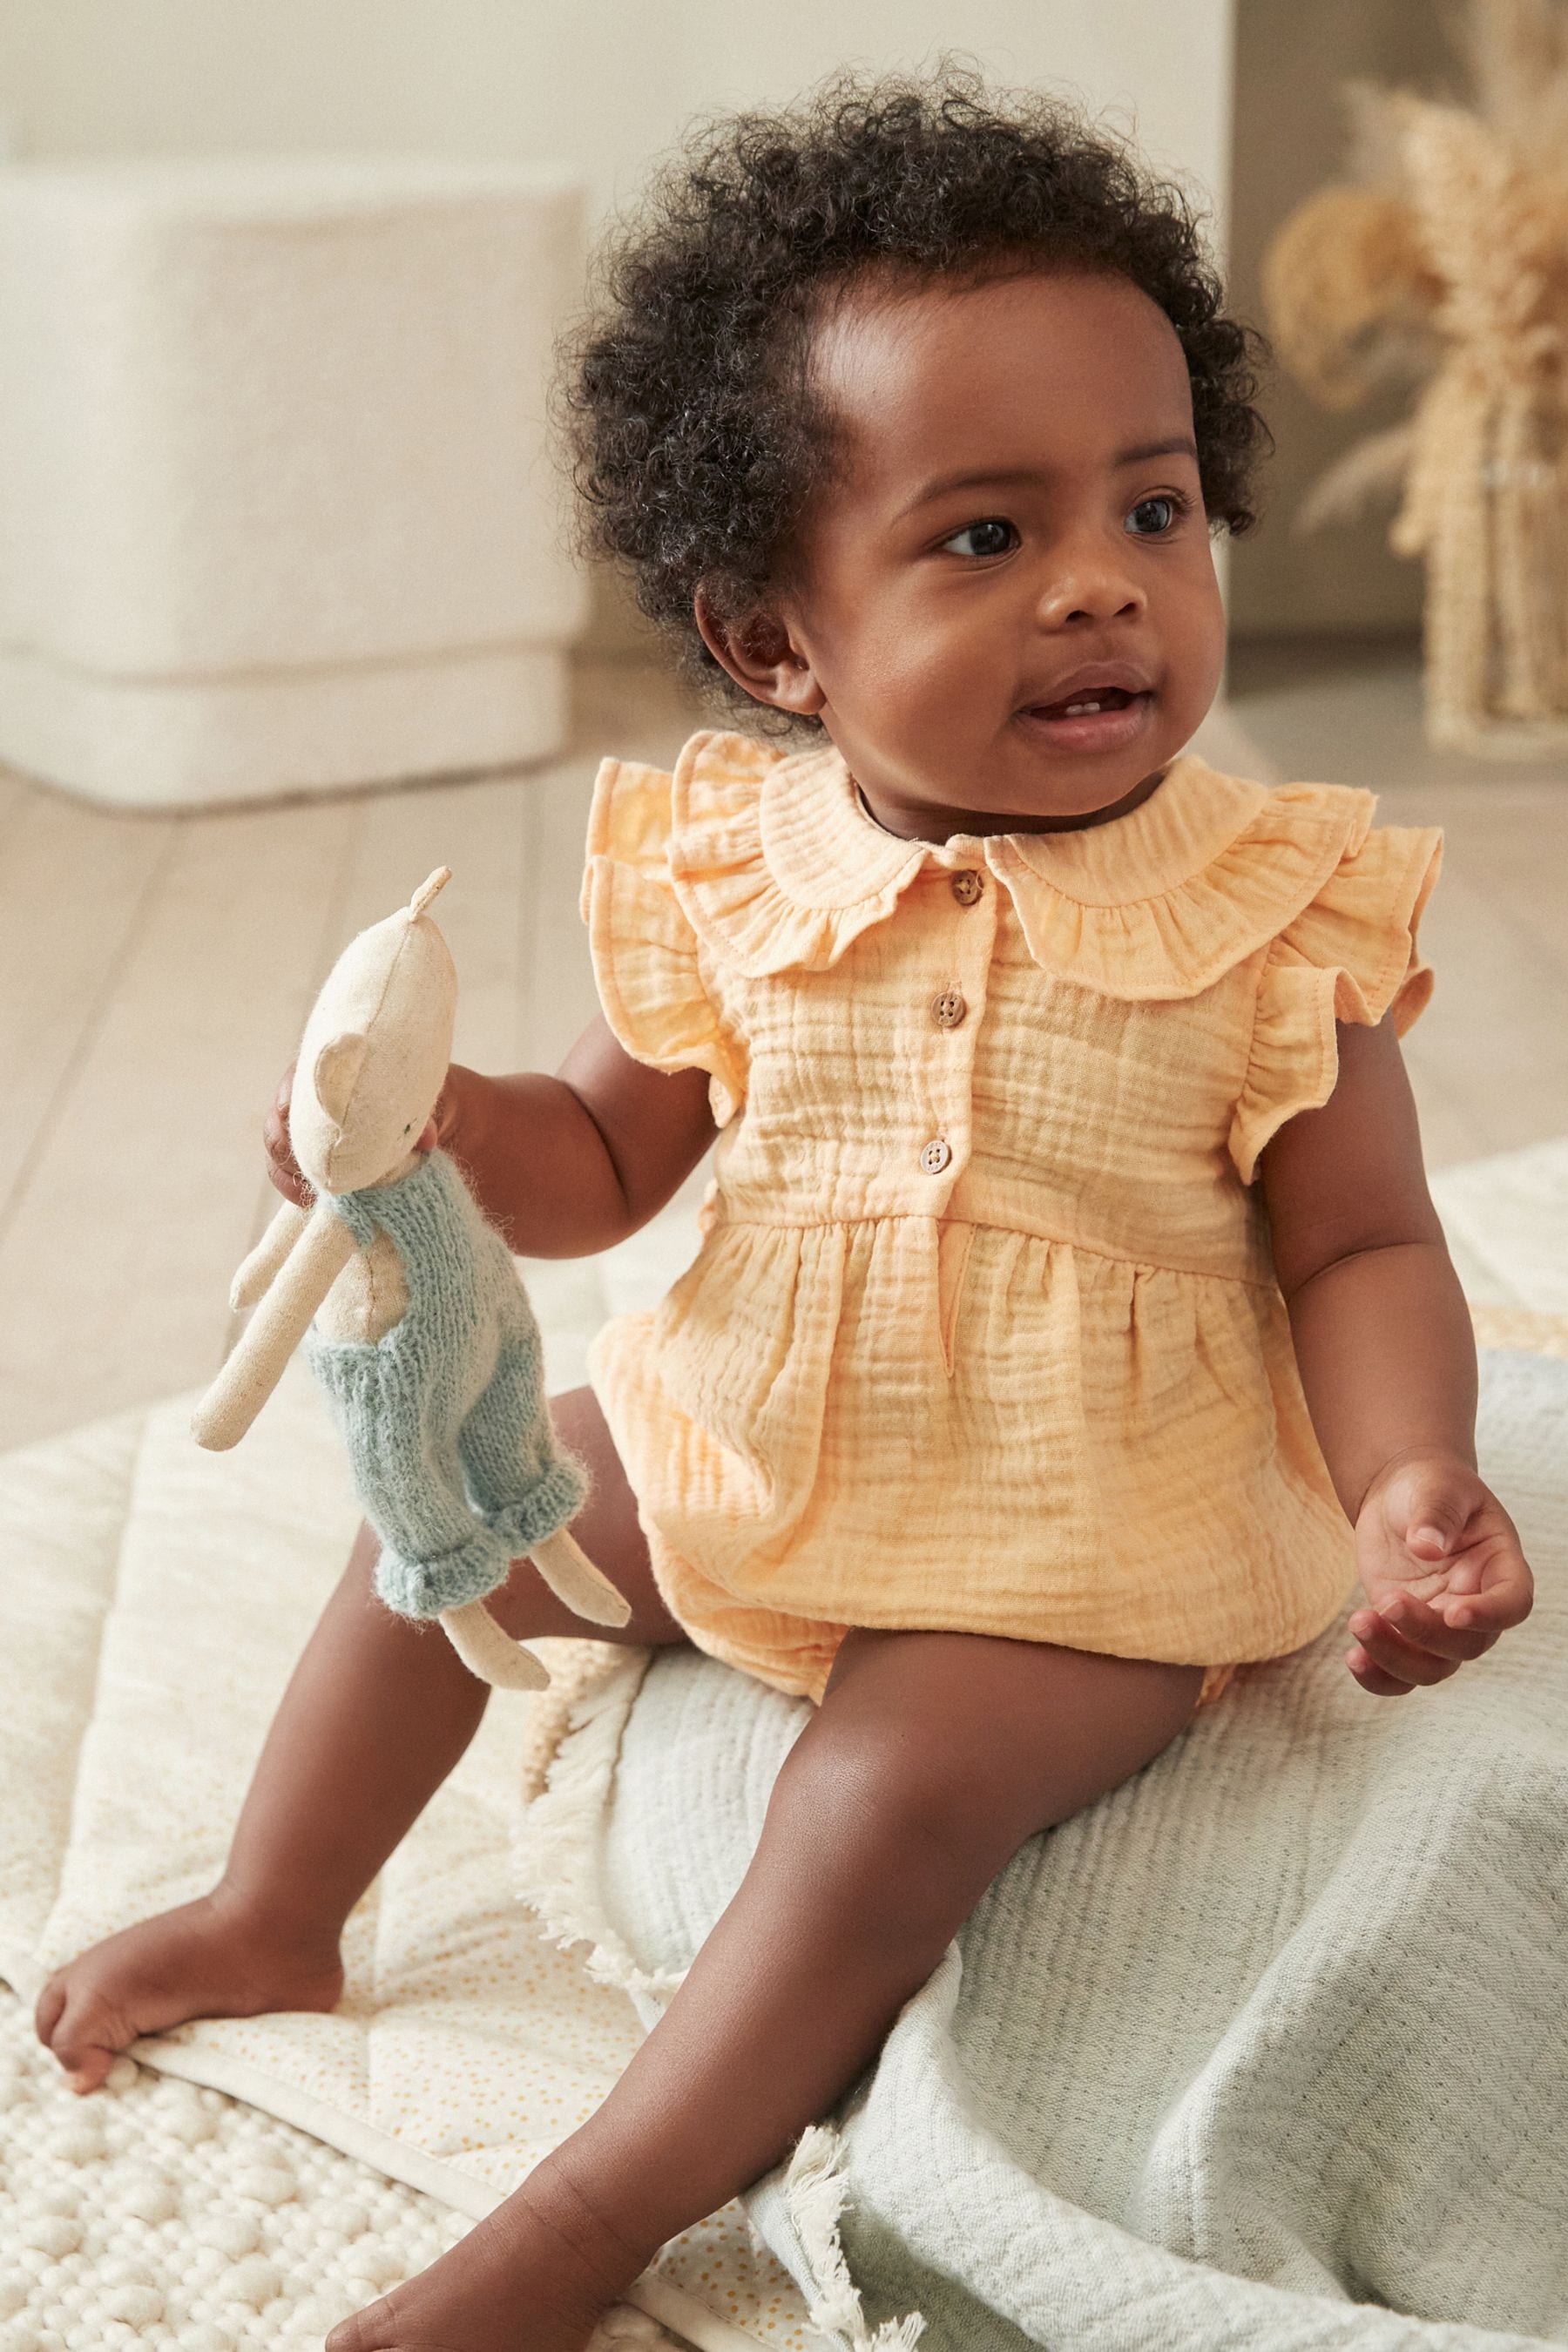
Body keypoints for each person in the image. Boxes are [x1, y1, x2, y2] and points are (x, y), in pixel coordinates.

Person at [36, 72, 1535, 2352]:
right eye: (983, 538)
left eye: (1154, 504)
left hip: (1085, 1529)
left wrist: (1411, 1465)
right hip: (754, 1419)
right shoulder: (743, 866)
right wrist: (424, 1127)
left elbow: (1362, 1245)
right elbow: (614, 1156)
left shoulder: (1268, 907)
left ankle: (592, 2208)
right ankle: (273, 1895)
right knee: (446, 1498)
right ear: (774, 642)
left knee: (875, 1798)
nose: (1106, 578)